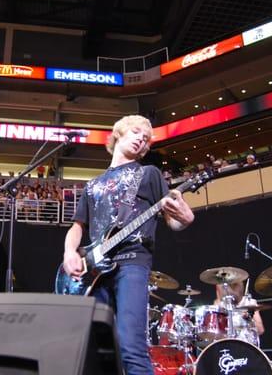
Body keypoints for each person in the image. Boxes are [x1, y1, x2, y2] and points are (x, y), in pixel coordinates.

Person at [62, 115, 195, 374]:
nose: (141, 140)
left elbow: (174, 222)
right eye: (136, 132)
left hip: (132, 263)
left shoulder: (148, 174)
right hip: (95, 273)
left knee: (130, 345)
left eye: (145, 139)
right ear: (119, 133)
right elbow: (77, 227)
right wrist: (69, 253)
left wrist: (185, 217)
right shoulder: (92, 185)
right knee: (96, 349)